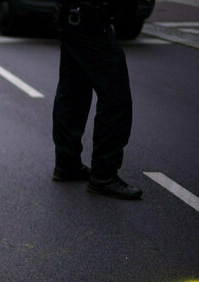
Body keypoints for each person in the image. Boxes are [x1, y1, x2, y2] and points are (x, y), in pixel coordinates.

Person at [51, 0, 142, 199]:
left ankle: (67, 163)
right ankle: (104, 175)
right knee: (116, 98)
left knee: (74, 91)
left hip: (73, 15)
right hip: (91, 15)